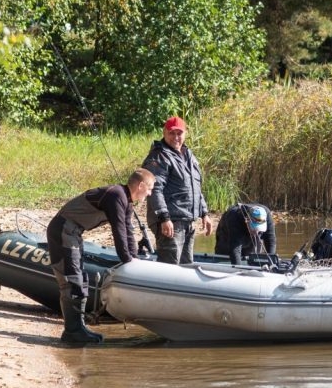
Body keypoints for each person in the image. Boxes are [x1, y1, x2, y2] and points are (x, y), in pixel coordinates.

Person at [46, 168, 155, 345]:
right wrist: (128, 260)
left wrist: (134, 260)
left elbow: (128, 233)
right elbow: (118, 233)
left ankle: (78, 328)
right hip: (63, 230)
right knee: (72, 281)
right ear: (141, 185)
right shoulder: (116, 196)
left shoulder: (125, 201)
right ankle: (72, 332)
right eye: (149, 189)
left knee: (82, 280)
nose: (150, 194)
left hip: (74, 233)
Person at [142, 115, 212, 264]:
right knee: (170, 269)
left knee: (187, 267)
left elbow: (195, 187)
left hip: (188, 220)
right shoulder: (159, 156)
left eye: (179, 133)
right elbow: (155, 189)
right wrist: (164, 218)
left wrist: (204, 213)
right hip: (171, 221)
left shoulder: (189, 155)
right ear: (164, 133)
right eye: (171, 133)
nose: (176, 137)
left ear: (185, 134)